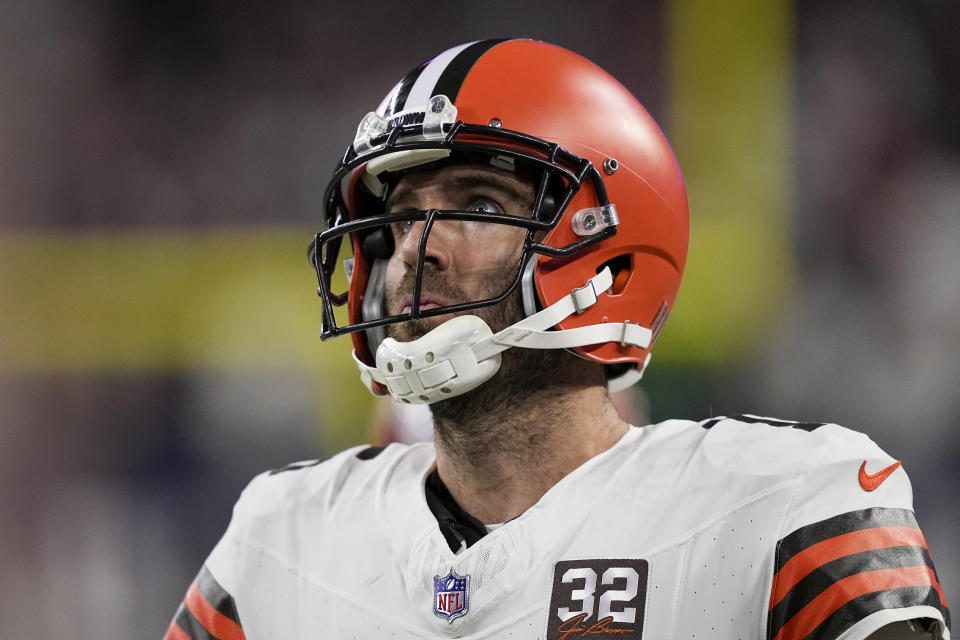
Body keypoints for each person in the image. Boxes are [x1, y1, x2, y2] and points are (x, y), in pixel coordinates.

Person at [164, 39, 950, 640]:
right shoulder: (283, 533)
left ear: (605, 251)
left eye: (475, 202)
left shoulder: (783, 510)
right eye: (401, 218)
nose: (417, 249)